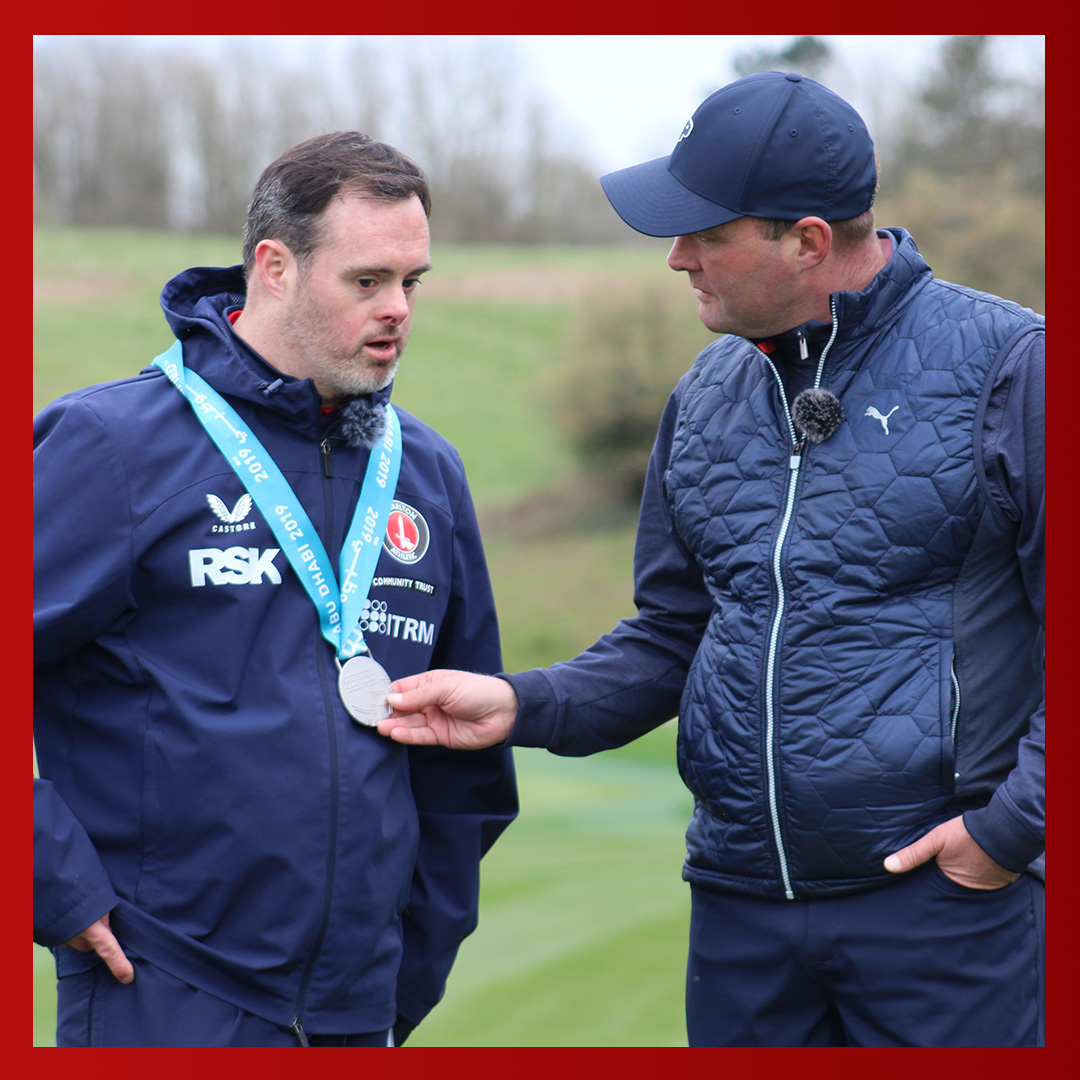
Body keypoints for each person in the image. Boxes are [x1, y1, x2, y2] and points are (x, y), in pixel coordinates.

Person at [379, 72, 1044, 1047]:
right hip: (741, 913)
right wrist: (523, 703)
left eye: (706, 233)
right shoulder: (705, 394)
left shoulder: (1014, 368)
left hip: (944, 907)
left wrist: (1010, 831)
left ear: (807, 241)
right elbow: (672, 639)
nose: (677, 257)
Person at [33, 131, 517, 1047]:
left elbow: (465, 760)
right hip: (163, 987)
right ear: (275, 267)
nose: (397, 310)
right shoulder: (113, 445)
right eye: (367, 280)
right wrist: (48, 878)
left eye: (412, 282)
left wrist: (413, 966)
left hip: (360, 1012)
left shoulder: (427, 473)